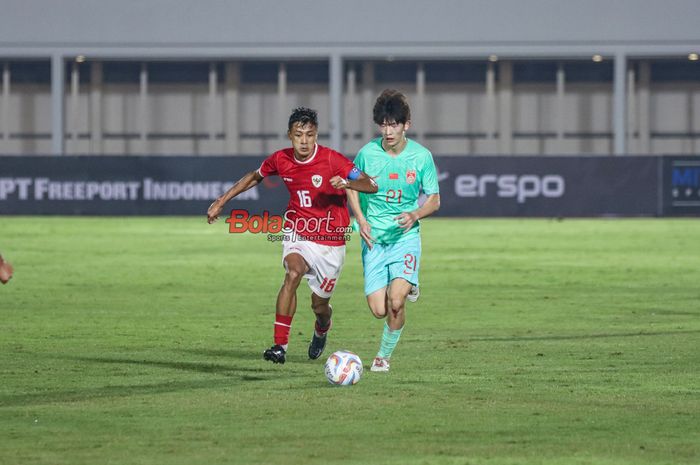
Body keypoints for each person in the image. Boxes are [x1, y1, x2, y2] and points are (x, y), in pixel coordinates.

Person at [207, 107, 377, 365]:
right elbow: (255, 176)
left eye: (309, 134)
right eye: (299, 135)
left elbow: (370, 185)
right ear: (290, 135)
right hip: (298, 231)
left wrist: (349, 183)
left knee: (320, 306)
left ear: (316, 134)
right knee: (292, 274)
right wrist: (222, 200)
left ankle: (322, 326)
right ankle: (280, 345)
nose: (304, 141)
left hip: (331, 242)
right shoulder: (281, 159)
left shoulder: (333, 160)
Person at [347, 89, 440, 372]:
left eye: (394, 124)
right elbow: (349, 184)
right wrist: (361, 219)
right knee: (379, 310)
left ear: (406, 125)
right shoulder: (366, 154)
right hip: (373, 239)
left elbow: (435, 200)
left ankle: (383, 357)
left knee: (396, 302)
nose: (388, 131)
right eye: (383, 124)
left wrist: (415, 213)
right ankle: (408, 282)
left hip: (405, 238)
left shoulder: (421, 157)